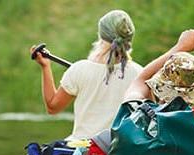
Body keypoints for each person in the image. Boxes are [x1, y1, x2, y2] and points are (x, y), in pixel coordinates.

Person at [30, 10, 143, 140]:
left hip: (83, 150)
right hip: (120, 151)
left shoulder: (80, 69)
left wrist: (45, 66)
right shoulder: (139, 74)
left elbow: (52, 107)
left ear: (101, 35)